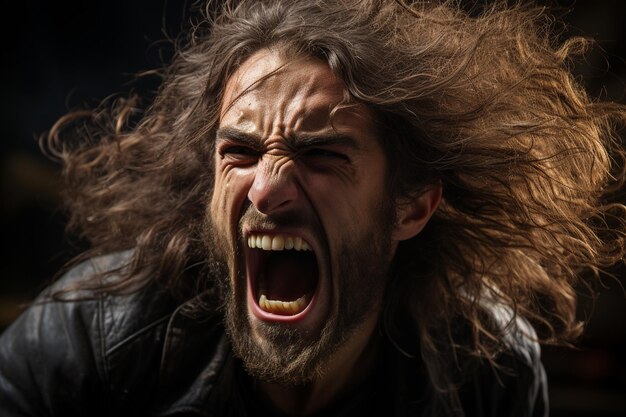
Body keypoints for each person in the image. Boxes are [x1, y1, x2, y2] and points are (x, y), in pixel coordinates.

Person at [1, 0, 624, 415]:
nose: (267, 190)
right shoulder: (84, 343)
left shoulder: (488, 372)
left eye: (322, 154)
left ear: (411, 206)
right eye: (240, 151)